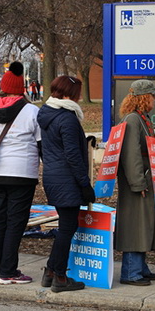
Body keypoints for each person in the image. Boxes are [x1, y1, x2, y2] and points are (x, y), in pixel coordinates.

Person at [0, 61, 40, 285]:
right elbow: (40, 141)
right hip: (21, 173)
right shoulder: (31, 111)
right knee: (16, 222)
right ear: (21, 88)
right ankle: (9, 271)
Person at [37, 75, 95, 293]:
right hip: (67, 179)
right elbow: (72, 155)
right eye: (77, 93)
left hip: (53, 175)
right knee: (67, 228)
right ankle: (60, 277)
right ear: (70, 94)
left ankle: (50, 272)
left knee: (65, 226)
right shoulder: (67, 118)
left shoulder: (47, 113)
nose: (79, 97)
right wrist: (85, 184)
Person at [114, 79, 155, 286]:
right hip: (138, 180)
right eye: (152, 96)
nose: (154, 99)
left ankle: (140, 268)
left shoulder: (139, 118)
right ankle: (131, 272)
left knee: (143, 223)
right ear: (144, 97)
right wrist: (138, 183)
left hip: (144, 177)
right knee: (135, 224)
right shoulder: (133, 120)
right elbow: (131, 153)